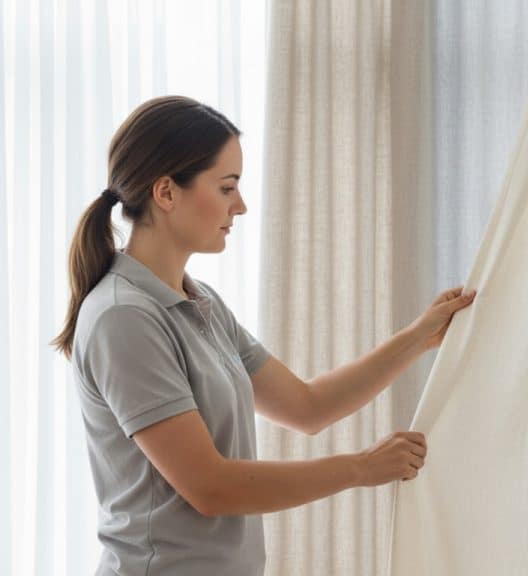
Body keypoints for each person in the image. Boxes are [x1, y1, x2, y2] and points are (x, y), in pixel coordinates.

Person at [51, 95, 476, 575]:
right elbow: (211, 487)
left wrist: (420, 337)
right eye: (227, 186)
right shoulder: (122, 318)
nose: (242, 205)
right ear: (166, 193)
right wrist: (360, 468)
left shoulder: (200, 303)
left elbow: (307, 406)